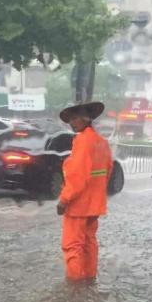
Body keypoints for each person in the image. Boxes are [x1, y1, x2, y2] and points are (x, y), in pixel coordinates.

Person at [57, 102, 113, 281]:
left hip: (78, 205)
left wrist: (64, 199)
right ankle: (89, 280)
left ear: (86, 118)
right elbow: (107, 172)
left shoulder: (82, 141)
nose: (72, 122)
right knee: (89, 243)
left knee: (72, 246)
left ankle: (75, 289)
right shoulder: (101, 142)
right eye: (70, 119)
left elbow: (77, 175)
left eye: (75, 118)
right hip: (94, 205)